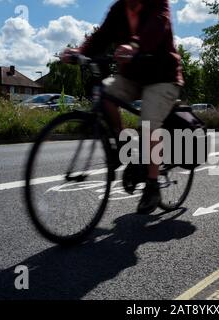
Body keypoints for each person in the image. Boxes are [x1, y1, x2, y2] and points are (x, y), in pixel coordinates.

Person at [62, 0, 184, 214]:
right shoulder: (119, 9)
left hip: (162, 77)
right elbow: (102, 35)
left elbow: (156, 27)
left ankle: (153, 185)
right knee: (105, 94)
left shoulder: (158, 4)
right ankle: (122, 145)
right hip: (132, 77)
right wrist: (80, 51)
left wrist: (134, 46)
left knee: (148, 123)